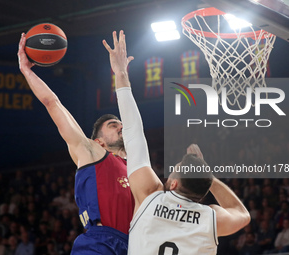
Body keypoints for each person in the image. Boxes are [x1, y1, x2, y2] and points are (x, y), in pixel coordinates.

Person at [103, 30, 251, 254]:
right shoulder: (211, 218)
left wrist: (121, 73)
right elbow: (242, 214)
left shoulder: (149, 196)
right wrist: (207, 177)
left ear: (172, 184)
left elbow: (133, 133)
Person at [18, 33, 134, 255]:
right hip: (100, 243)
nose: (121, 126)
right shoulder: (93, 153)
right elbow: (52, 103)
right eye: (113, 125)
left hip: (135, 246)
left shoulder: (139, 170)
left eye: (121, 124)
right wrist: (27, 70)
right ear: (98, 141)